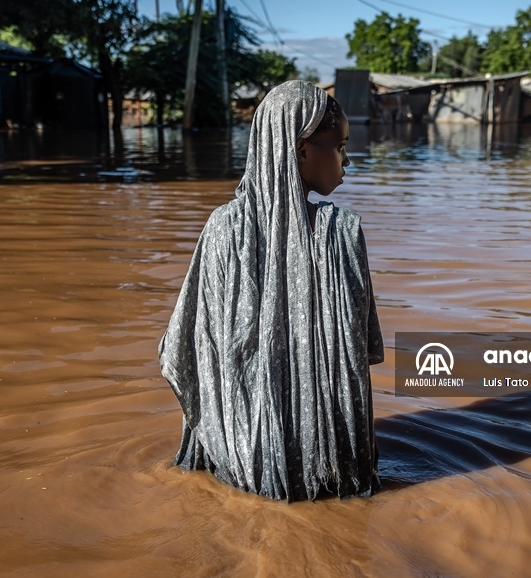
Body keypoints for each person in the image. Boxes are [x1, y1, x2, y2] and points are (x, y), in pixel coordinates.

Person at [158, 80, 384, 502]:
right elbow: (363, 352)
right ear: (300, 151)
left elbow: (185, 350)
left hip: (242, 463)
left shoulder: (222, 230)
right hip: (334, 469)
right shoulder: (341, 231)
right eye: (339, 147)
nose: (347, 160)